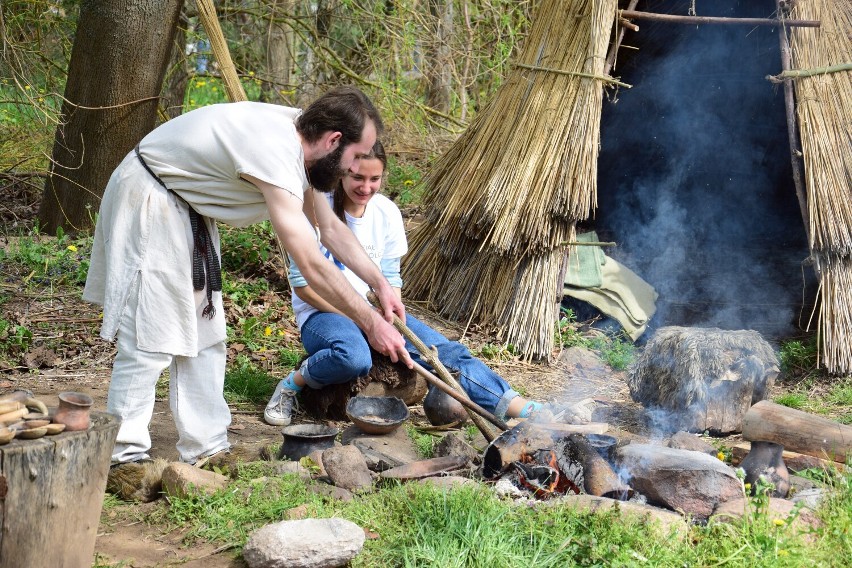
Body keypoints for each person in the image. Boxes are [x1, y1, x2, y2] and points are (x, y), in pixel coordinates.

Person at [84, 86, 412, 466]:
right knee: (150, 335)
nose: (352, 169)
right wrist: (370, 322)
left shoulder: (301, 145)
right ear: (334, 140)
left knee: (206, 334)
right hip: (152, 197)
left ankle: (206, 447)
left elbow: (331, 230)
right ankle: (124, 455)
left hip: (187, 208)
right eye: (354, 157)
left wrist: (381, 284)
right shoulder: (275, 151)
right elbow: (310, 261)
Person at [264, 141, 549, 427]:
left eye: (374, 179)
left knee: (445, 352)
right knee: (353, 358)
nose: (366, 187)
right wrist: (365, 321)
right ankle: (292, 384)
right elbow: (305, 287)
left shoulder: (386, 213)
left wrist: (391, 318)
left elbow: (390, 280)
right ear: (342, 173)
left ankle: (519, 407)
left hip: (374, 311)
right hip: (323, 313)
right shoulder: (316, 209)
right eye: (358, 178)